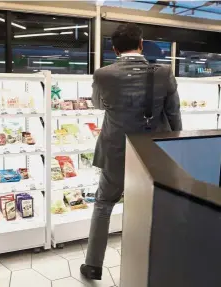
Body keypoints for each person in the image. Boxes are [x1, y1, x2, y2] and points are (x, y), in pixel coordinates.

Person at [80, 23, 182, 280]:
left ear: (114, 49)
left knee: (104, 203)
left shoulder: (103, 74)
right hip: (153, 152)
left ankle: (93, 265)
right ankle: (158, 261)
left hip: (116, 150)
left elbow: (97, 104)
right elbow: (174, 115)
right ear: (141, 44)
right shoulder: (164, 73)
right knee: (154, 205)